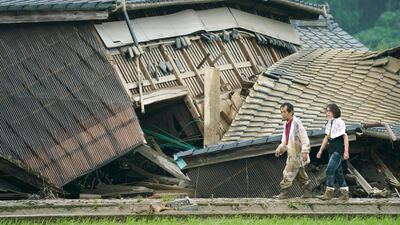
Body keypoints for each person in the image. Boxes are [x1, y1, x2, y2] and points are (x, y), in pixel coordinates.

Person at [273, 102, 312, 199]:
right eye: (281, 112)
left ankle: (284, 193)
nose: (282, 114)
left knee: (287, 172)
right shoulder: (285, 124)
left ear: (291, 112)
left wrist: (305, 151)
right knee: (301, 175)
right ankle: (308, 192)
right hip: (291, 154)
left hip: (297, 154)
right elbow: (285, 141)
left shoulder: (296, 122)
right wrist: (280, 149)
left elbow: (304, 138)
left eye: (284, 112)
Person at [316, 103, 349, 201]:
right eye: (326, 111)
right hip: (331, 149)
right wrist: (320, 150)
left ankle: (329, 192)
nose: (327, 113)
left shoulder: (340, 122)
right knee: (338, 172)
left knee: (329, 170)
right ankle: (344, 193)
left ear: (334, 112)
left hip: (338, 150)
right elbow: (326, 137)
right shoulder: (329, 123)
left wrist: (346, 151)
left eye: (329, 111)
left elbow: (345, 136)